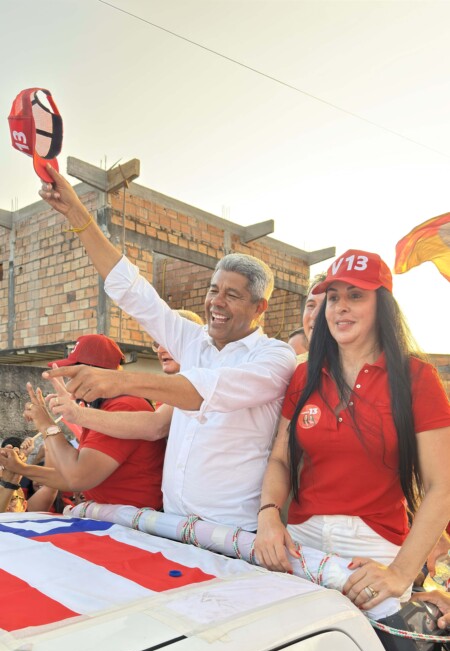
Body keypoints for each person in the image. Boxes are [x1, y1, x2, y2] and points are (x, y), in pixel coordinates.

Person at [39, 167, 296, 530]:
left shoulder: (274, 358)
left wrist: (120, 383)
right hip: (173, 525)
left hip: (234, 532)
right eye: (213, 290)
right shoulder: (193, 340)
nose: (216, 303)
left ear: (259, 308)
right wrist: (80, 216)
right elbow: (134, 292)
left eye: (232, 295)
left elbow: (202, 391)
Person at [254, 249, 450, 612]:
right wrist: (268, 516)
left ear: (382, 306)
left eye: (355, 295)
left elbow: (442, 486)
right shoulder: (303, 376)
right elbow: (280, 459)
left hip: (374, 549)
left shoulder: (417, 379)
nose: (340, 307)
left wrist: (401, 572)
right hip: (302, 541)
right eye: (333, 297)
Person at [0, 334, 166, 509]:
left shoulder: (124, 406)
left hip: (133, 524)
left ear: (94, 372)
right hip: (117, 516)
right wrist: (20, 469)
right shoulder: (103, 408)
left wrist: (46, 425)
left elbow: (76, 477)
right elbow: (67, 476)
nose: (70, 384)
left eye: (73, 374)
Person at [46, 310, 204, 443]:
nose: (161, 349)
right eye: (157, 342)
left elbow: (156, 426)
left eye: (168, 340)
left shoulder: (127, 404)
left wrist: (62, 420)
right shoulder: (163, 394)